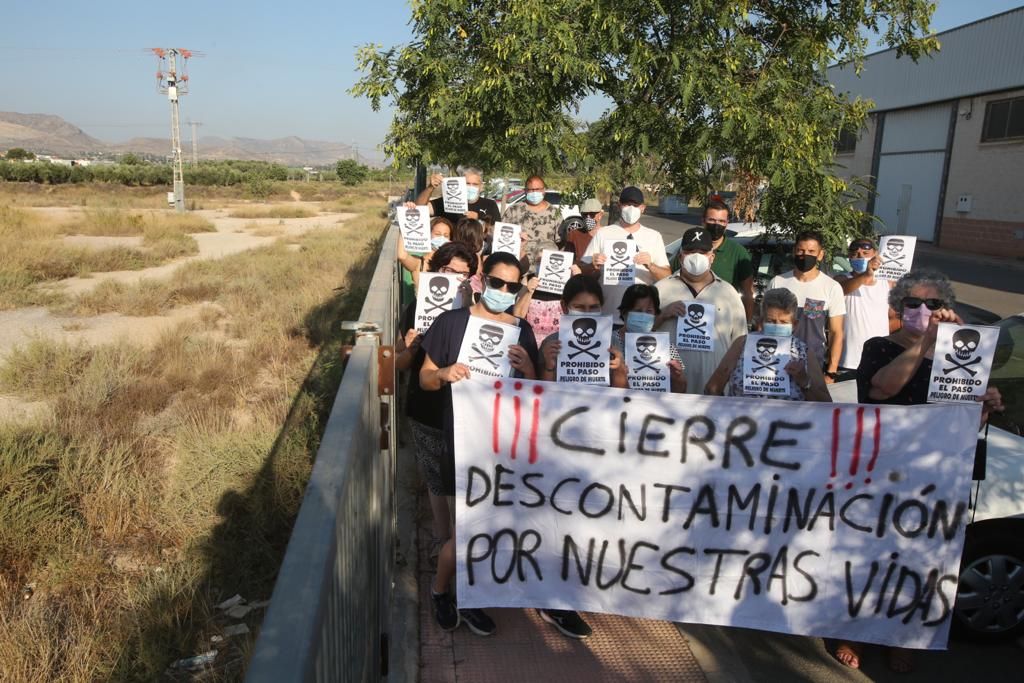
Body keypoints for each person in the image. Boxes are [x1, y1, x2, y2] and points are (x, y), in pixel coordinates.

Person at [832, 268, 1004, 674]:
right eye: (913, 303)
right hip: (880, 467)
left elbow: (960, 425)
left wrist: (983, 407)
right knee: (866, 555)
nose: (923, 310)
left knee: (915, 559)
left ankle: (899, 635)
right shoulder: (879, 346)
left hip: (933, 474)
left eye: (933, 304)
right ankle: (852, 630)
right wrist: (927, 342)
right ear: (898, 307)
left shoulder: (958, 357)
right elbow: (882, 389)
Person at [418, 251, 538, 637]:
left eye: (512, 286)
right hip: (461, 441)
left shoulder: (523, 332)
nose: (503, 291)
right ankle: (441, 591)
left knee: (493, 528)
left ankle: (471, 598)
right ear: (482, 279)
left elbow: (537, 395)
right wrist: (443, 372)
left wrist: (529, 369)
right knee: (465, 530)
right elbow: (424, 380)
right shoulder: (451, 323)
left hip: (506, 449)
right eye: (498, 282)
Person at [396, 242, 477, 566]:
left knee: (464, 477)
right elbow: (400, 364)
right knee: (436, 479)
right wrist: (412, 347)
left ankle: (465, 539)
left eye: (463, 274)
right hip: (428, 403)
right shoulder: (415, 309)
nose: (455, 279)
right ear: (435, 271)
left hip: (469, 410)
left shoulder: (477, 313)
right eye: (449, 271)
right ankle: (444, 540)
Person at [654, 227, 747, 394]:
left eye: (702, 252)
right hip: (668, 388)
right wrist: (662, 315)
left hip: (714, 389)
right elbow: (636, 333)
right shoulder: (660, 289)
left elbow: (740, 341)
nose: (696, 256)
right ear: (681, 255)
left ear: (712, 257)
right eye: (690, 251)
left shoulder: (728, 292)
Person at [704, 288, 831, 401]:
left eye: (783, 322)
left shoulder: (803, 352)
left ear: (794, 325)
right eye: (771, 321)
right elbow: (712, 388)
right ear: (761, 321)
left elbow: (825, 403)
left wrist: (804, 381)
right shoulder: (742, 344)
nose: (777, 326)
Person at [581, 186, 671, 321]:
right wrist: (592, 266)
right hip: (608, 316)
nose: (631, 208)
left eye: (635, 205)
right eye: (627, 204)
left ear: (643, 208)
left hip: (641, 319)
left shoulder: (654, 236)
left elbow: (666, 277)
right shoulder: (603, 233)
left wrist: (651, 265)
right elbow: (582, 272)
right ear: (619, 206)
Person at [767, 230, 845, 383]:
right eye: (801, 250)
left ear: (820, 254)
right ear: (794, 251)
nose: (805, 255)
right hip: (775, 361)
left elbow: (836, 333)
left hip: (813, 364)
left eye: (811, 251)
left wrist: (831, 372)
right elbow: (764, 323)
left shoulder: (831, 287)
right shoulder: (778, 282)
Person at [538, 274, 627, 390]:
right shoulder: (551, 343)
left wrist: (619, 370)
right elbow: (542, 393)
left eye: (594, 307)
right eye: (579, 307)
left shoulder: (612, 342)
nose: (587, 312)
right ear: (564, 306)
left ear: (602, 306)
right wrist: (548, 367)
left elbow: (622, 395)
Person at [612, 283, 686, 393]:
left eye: (649, 311)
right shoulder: (608, 341)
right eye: (637, 311)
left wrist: (677, 377)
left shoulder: (664, 344)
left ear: (656, 314)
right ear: (624, 312)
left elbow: (681, 391)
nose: (643, 316)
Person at [836, 237, 891, 379]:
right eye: (855, 254)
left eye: (865, 254)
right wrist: (865, 275)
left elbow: (895, 317)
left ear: (876, 254)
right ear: (849, 257)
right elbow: (842, 289)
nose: (860, 257)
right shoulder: (841, 279)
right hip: (848, 359)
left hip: (880, 360)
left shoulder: (887, 283)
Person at [703, 199, 755, 322]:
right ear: (703, 221)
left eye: (721, 221)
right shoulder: (690, 248)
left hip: (724, 322)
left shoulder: (738, 252)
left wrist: (746, 325)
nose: (716, 225)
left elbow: (747, 293)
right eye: (712, 220)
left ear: (727, 223)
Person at [502, 175, 563, 273]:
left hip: (546, 271)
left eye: (537, 189)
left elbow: (561, 243)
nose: (534, 192)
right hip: (518, 268)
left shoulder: (554, 213)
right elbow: (502, 239)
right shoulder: (513, 211)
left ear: (544, 190)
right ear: (525, 191)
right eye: (531, 190)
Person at [417, 167, 501, 226]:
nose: (471, 187)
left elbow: (496, 233)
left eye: (475, 184)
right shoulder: (448, 201)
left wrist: (479, 219)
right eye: (467, 183)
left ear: (481, 187)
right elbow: (419, 208)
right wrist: (430, 187)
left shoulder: (490, 205)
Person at [397, 215, 453, 301]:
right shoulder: (419, 263)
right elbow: (402, 256)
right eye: (437, 234)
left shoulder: (453, 264)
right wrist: (405, 223)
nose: (442, 238)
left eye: (446, 236)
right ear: (428, 235)